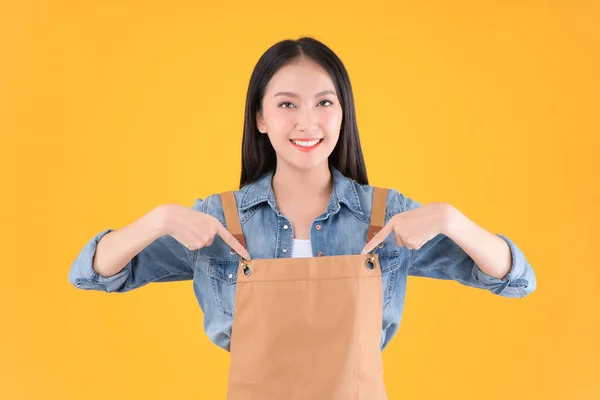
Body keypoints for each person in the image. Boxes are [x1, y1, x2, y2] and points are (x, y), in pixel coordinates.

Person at [68, 36, 536, 399]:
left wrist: (451, 219)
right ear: (261, 118)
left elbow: (516, 279)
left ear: (342, 113)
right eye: (287, 104)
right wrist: (161, 219)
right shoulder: (219, 222)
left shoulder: (387, 218)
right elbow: (91, 274)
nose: (307, 122)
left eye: (324, 102)